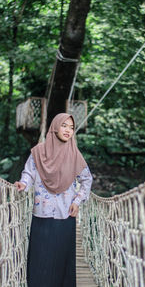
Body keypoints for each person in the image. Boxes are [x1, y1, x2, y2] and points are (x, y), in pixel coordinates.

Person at [14, 113, 93, 287]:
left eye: (72, 128)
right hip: (41, 215)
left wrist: (77, 202)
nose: (68, 130)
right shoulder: (39, 151)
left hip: (65, 216)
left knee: (61, 262)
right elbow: (29, 173)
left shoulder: (74, 154)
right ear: (55, 126)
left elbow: (87, 179)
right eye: (64, 125)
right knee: (40, 260)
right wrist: (23, 185)